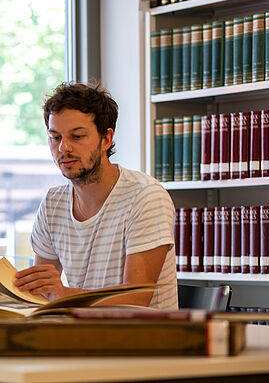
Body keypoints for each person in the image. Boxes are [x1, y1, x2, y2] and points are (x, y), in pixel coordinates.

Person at [14, 82, 178, 309]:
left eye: (77, 136)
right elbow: (41, 292)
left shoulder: (145, 196)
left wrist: (64, 295)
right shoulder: (53, 203)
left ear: (106, 139)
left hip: (142, 340)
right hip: (82, 338)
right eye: (55, 137)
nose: (64, 148)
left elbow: (137, 298)